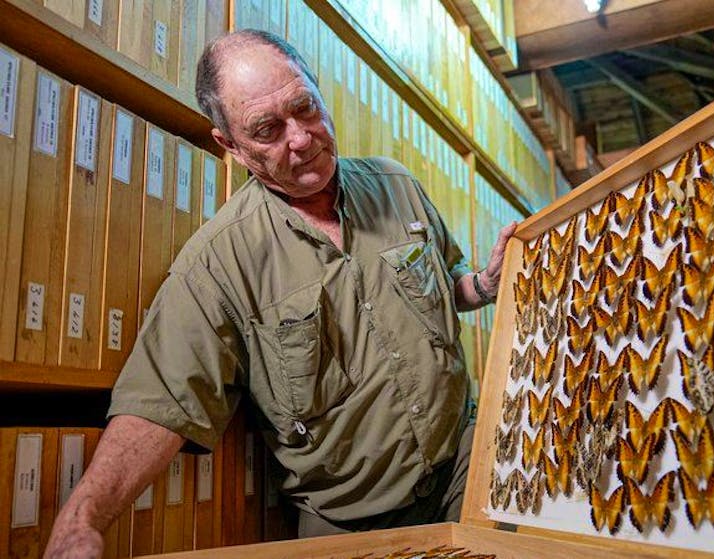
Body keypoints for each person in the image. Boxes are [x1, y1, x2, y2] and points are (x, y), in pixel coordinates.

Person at [44, 29, 516, 557]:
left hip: (468, 470)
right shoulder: (220, 262)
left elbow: (442, 287)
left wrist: (483, 285)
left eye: (305, 108)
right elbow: (159, 402)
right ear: (231, 145)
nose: (300, 138)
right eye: (268, 129)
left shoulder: (396, 183)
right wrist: (83, 519)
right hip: (356, 522)